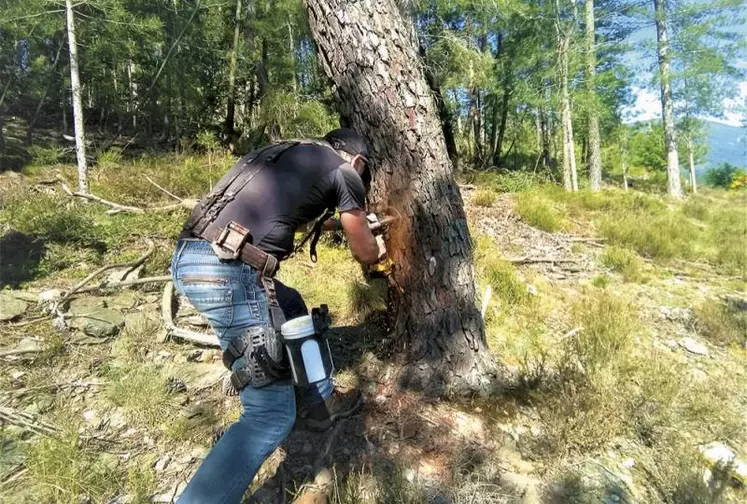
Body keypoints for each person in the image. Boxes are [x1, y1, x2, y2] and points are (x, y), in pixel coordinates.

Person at [169, 128, 385, 503]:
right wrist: (376, 243)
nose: (360, 183)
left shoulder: (286, 153)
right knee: (269, 415)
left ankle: (321, 400)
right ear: (359, 162)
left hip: (190, 258)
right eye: (364, 178)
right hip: (228, 273)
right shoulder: (346, 171)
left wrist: (341, 222)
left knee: (291, 306)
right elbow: (365, 253)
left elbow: (281, 216)